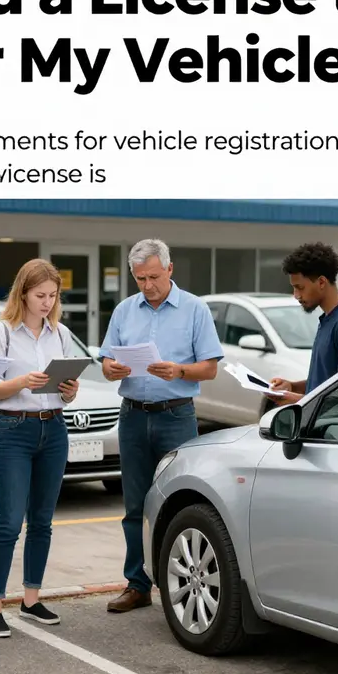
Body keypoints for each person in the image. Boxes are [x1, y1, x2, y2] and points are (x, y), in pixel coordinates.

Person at [97, 239, 224, 613]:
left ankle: (180, 581)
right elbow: (105, 363)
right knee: (134, 505)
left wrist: (179, 370)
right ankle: (137, 585)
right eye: (140, 278)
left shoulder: (195, 309)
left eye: (153, 276)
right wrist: (111, 369)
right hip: (133, 416)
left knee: (181, 501)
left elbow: (210, 368)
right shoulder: (124, 311)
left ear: (170, 269)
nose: (147, 285)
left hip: (176, 416)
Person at [0, 259, 80, 638]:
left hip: (54, 428)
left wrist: (70, 391)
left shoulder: (61, 333)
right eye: (40, 295)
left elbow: (66, 394)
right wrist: (21, 381)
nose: (47, 302)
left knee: (42, 521)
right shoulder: (0, 332)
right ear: (22, 293)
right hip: (14, 430)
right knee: (8, 523)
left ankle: (31, 600)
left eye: (52, 296)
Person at [268, 242, 338, 404]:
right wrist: (292, 387)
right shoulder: (329, 319)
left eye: (300, 287)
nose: (296, 295)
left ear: (321, 282)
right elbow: (326, 385)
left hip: (335, 421)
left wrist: (297, 401)